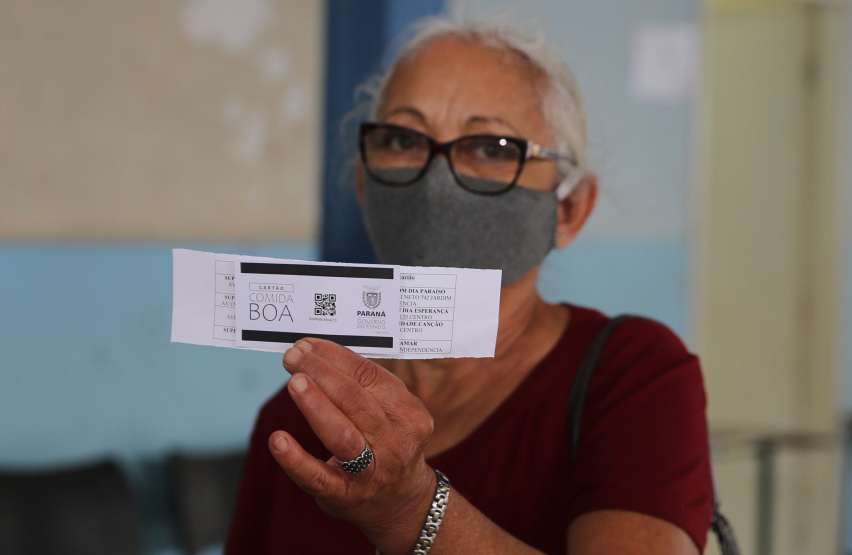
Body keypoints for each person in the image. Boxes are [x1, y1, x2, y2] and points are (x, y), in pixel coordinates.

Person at [225, 17, 713, 555]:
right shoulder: (300, 415)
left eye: (491, 148)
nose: (437, 182)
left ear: (569, 209)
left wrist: (410, 510)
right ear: (366, 185)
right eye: (404, 139)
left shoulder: (632, 377)